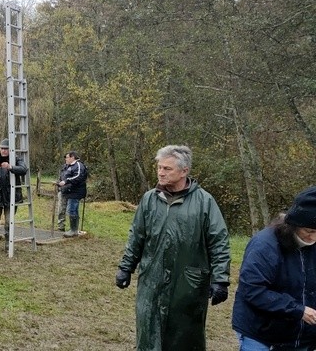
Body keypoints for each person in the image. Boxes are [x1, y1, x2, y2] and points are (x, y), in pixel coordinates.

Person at [114, 145, 231, 351]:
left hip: (188, 284)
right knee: (149, 332)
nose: (161, 172)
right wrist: (126, 267)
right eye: (159, 167)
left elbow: (219, 242)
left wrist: (220, 279)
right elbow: (137, 236)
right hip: (152, 279)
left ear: (184, 171)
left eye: (167, 168)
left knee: (184, 336)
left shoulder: (204, 202)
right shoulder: (150, 199)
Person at [232, 186, 316, 350]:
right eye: (309, 230)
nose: (314, 237)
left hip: (301, 338)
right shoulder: (264, 245)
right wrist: (298, 310)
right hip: (261, 334)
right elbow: (253, 289)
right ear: (294, 224)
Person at [0, 138, 27, 252]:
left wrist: (10, 167)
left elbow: (24, 169)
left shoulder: (16, 159)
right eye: (2, 148)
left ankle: (9, 244)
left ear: (10, 149)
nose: (3, 151)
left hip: (11, 196)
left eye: (6, 149)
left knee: (9, 222)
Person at [56, 151, 88, 238]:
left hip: (76, 192)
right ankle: (72, 229)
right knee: (68, 210)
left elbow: (78, 177)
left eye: (67, 157)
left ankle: (73, 230)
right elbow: (63, 176)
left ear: (72, 157)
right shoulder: (67, 166)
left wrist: (66, 181)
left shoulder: (78, 165)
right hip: (68, 191)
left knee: (71, 210)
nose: (65, 159)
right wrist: (60, 183)